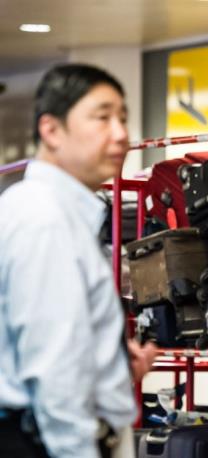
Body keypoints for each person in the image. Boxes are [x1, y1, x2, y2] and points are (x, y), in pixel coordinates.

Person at [0, 64, 157, 458]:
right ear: (52, 130)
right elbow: (55, 373)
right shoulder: (46, 222)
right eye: (102, 117)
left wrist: (108, 364)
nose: (120, 134)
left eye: (123, 118)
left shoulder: (40, 211)